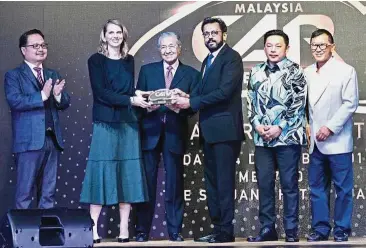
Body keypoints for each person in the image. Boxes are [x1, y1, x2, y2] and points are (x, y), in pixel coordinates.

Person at [79, 19, 150, 244]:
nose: (115, 36)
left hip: (128, 123)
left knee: (126, 174)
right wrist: (131, 99)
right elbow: (102, 94)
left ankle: (123, 229)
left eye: (119, 32)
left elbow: (128, 90)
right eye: (111, 32)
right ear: (104, 36)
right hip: (105, 122)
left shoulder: (129, 60)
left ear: (124, 35)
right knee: (100, 172)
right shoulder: (96, 60)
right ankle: (93, 230)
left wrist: (144, 97)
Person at [174, 17, 244, 243]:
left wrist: (192, 103)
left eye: (214, 32)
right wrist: (188, 97)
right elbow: (205, 92)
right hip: (209, 132)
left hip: (225, 132)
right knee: (212, 183)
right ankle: (217, 228)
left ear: (224, 34)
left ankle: (226, 231)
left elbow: (224, 92)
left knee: (223, 183)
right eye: (206, 33)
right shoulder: (207, 61)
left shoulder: (232, 58)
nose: (210, 37)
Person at [134, 32, 199, 242]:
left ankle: (174, 231)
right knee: (146, 185)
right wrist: (147, 106)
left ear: (179, 48)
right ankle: (142, 230)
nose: (168, 50)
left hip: (175, 133)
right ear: (159, 49)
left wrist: (181, 107)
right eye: (163, 47)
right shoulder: (147, 71)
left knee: (174, 185)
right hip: (150, 133)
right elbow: (137, 101)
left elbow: (195, 106)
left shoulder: (191, 74)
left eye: (171, 46)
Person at [246, 29, 307, 243]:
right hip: (262, 139)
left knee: (289, 184)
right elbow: (251, 103)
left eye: (278, 46)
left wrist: (280, 127)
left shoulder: (295, 71)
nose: (273, 50)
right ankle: (267, 228)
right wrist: (256, 125)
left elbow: (299, 104)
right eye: (269, 46)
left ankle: (291, 230)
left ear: (287, 48)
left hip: (287, 137)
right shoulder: (255, 72)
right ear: (264, 47)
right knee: (265, 184)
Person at [4, 29, 70, 209]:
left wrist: (56, 96)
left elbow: (65, 103)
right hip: (29, 143)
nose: (40, 49)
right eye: (35, 46)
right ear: (23, 50)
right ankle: (23, 236)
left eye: (43, 45)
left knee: (48, 194)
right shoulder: (14, 75)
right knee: (24, 194)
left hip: (52, 141)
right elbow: (15, 101)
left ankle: (45, 235)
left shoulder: (52, 74)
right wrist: (41, 95)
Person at [305, 29, 359, 242]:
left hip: (337, 140)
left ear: (332, 47)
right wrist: (306, 125)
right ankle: (320, 229)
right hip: (315, 143)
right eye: (314, 45)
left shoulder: (346, 71)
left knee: (343, 190)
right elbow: (303, 106)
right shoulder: (307, 72)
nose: (318, 49)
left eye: (322, 45)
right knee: (317, 189)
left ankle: (342, 230)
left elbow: (350, 103)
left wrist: (330, 127)